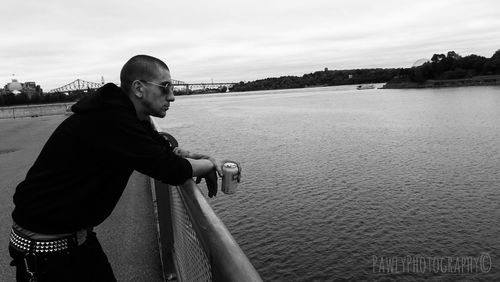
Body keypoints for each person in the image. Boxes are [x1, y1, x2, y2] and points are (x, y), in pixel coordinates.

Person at [9, 55, 224, 281]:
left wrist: (191, 155)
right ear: (139, 88)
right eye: (165, 87)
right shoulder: (111, 120)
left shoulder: (127, 116)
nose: (172, 96)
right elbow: (170, 170)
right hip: (46, 250)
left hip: (77, 238)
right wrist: (211, 164)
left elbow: (161, 149)